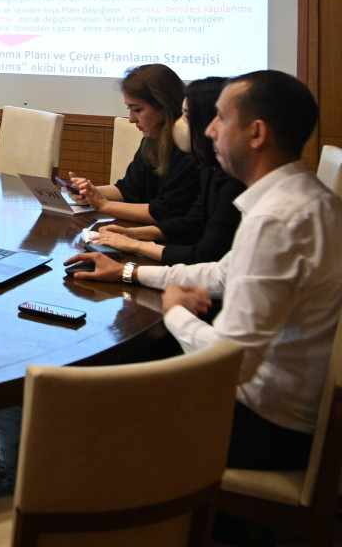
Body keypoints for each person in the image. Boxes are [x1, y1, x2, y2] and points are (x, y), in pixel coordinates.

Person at [67, 70, 342, 470]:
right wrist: (128, 273)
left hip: (266, 425)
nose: (209, 131)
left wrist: (175, 312)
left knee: (88, 407)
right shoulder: (308, 198)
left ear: (257, 133)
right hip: (281, 409)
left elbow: (233, 363)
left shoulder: (277, 221)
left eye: (222, 119)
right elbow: (222, 274)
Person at [85, 76, 244, 265]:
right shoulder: (210, 165)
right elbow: (192, 222)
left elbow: (205, 255)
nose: (180, 124)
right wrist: (131, 233)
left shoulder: (232, 177)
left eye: (186, 116)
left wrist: (134, 247)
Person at [67, 63, 198, 222]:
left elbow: (165, 212)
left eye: (137, 109)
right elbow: (128, 189)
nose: (131, 119)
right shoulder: (152, 140)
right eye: (129, 109)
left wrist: (103, 204)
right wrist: (90, 192)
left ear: (164, 105)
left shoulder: (190, 149)